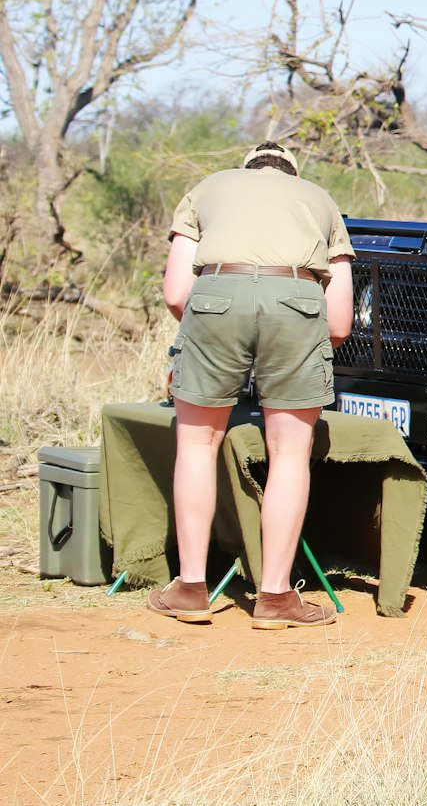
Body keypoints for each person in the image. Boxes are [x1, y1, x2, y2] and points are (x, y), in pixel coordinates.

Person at [146, 142, 354, 630]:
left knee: (196, 443)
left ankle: (191, 588)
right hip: (298, 300)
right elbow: (340, 322)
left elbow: (177, 292)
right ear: (291, 175)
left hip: (217, 292)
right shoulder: (320, 200)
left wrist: (206, 328)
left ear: (245, 169)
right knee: (289, 454)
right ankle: (277, 598)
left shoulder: (206, 190)